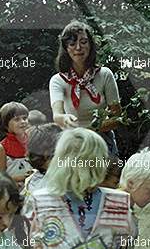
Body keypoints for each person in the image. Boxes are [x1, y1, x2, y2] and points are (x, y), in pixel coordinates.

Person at [49, 20, 122, 155]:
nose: (78, 48)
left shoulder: (105, 74)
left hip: (102, 140)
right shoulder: (58, 80)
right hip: (73, 141)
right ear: (66, 48)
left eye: (83, 42)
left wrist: (91, 129)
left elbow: (117, 117)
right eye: (72, 43)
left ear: (90, 45)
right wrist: (64, 119)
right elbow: (57, 115)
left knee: (108, 174)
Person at [0, 102, 33, 184]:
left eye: (25, 118)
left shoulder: (33, 140)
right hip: (13, 190)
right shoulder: (2, 148)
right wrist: (20, 178)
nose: (22, 122)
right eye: (17, 119)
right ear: (5, 124)